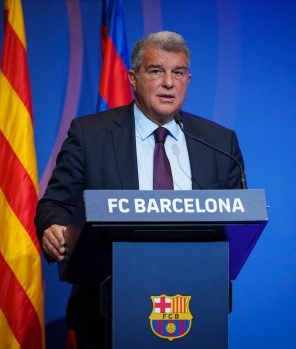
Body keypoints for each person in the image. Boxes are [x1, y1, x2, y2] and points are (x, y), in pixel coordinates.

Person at [35, 31, 244, 348]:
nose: (169, 83)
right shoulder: (90, 135)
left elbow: (239, 219)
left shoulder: (219, 142)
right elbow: (55, 203)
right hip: (105, 312)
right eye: (157, 71)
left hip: (195, 306)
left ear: (189, 78)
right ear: (133, 78)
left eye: (178, 72)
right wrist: (53, 226)